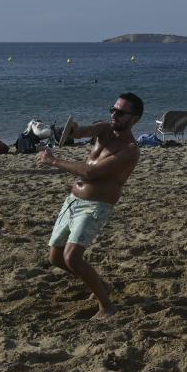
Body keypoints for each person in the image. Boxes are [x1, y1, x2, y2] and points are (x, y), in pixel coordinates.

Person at [37, 93, 143, 318]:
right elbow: (81, 132)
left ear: (135, 119)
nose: (114, 115)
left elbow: (91, 172)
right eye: (113, 109)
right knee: (55, 258)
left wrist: (54, 161)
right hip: (73, 201)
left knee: (72, 257)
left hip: (96, 205)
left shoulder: (130, 149)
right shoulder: (104, 129)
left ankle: (107, 306)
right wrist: (72, 129)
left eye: (121, 112)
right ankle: (101, 285)